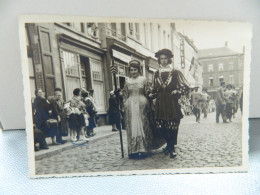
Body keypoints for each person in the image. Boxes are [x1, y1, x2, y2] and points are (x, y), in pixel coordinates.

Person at [152, 49, 190, 158]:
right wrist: (151, 95)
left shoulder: (175, 72)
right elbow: (154, 89)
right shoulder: (156, 73)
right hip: (160, 103)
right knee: (162, 126)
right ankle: (168, 144)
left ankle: (172, 146)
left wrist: (177, 91)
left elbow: (185, 87)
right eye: (161, 59)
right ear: (159, 60)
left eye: (165, 58)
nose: (163, 61)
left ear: (169, 59)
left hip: (171, 102)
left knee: (172, 125)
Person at [124, 60, 165, 159]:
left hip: (142, 105)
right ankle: (133, 149)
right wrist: (122, 99)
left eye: (135, 70)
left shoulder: (143, 80)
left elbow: (148, 92)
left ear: (139, 70)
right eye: (131, 70)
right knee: (132, 126)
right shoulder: (127, 81)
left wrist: (151, 97)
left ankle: (144, 148)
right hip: (130, 106)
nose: (133, 72)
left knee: (143, 125)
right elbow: (125, 94)